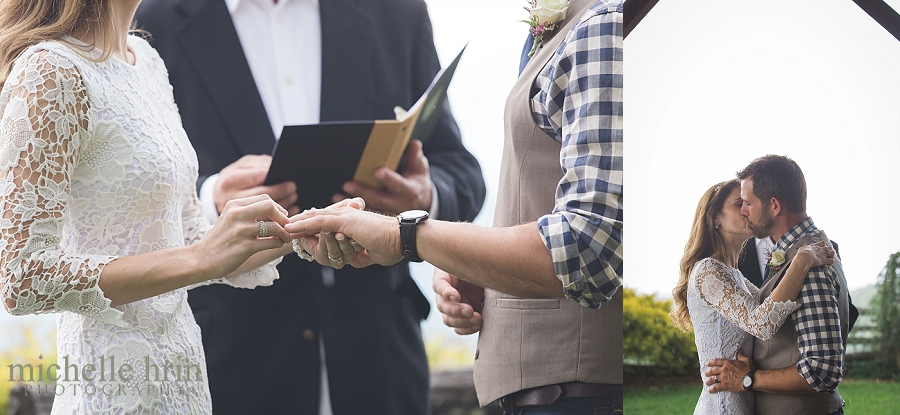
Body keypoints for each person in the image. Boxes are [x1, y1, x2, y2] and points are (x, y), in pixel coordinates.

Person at [132, 1, 486, 414]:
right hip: (231, 367)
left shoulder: (395, 10)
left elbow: (459, 172)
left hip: (379, 361)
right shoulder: (151, 21)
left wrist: (423, 197)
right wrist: (208, 201)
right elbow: (124, 192)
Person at [288, 0, 623, 413]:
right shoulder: (575, 27)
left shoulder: (602, 27)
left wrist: (407, 234)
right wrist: (478, 263)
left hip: (573, 393)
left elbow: (587, 247)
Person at [0, 0, 297, 413]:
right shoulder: (50, 71)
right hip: (109, 391)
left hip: (184, 383)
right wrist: (201, 257)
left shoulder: (147, 62)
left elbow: (191, 235)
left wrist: (296, 232)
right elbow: (21, 277)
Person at [670, 179, 835, 415]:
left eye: (748, 203)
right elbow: (763, 325)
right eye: (739, 204)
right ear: (715, 217)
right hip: (724, 404)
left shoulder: (734, 275)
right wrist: (802, 260)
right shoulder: (708, 270)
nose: (747, 210)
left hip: (744, 397)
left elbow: (770, 315)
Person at [705, 155, 850, 415]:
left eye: (747, 203)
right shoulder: (810, 249)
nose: (744, 211)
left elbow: (822, 370)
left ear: (774, 206)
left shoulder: (809, 265)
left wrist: (748, 379)